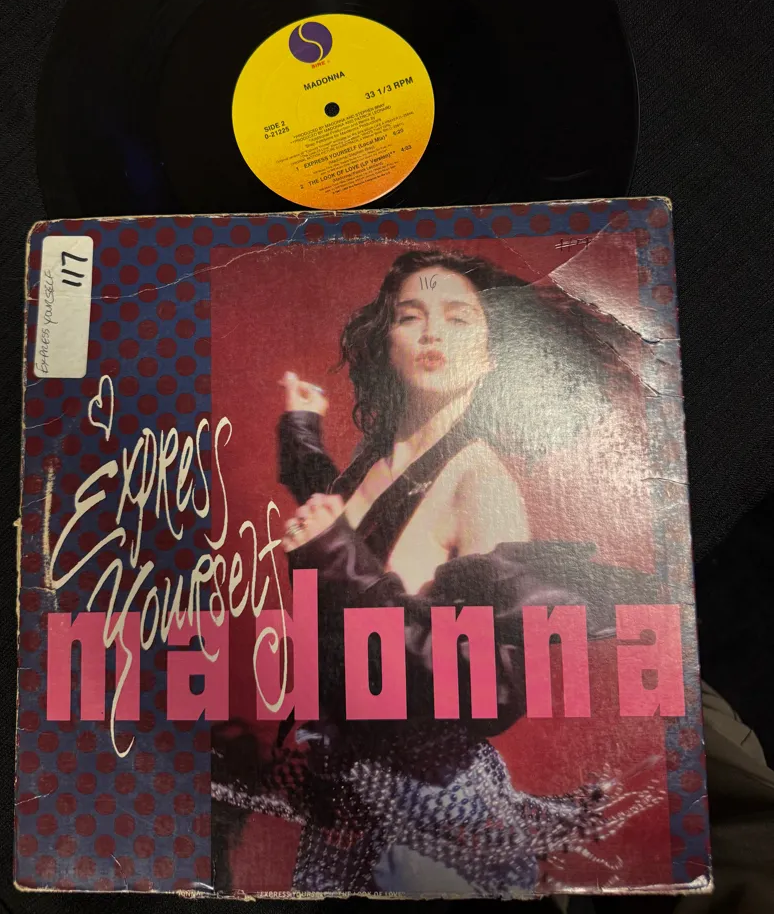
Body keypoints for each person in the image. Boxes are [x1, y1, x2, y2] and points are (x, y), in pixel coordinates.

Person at [212, 249, 660, 897]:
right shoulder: (375, 464)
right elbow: (347, 531)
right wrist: (302, 434)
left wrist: (333, 555)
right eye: (410, 316)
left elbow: (487, 685)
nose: (432, 333)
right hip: (343, 789)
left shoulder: (480, 484)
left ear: (492, 355)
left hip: (432, 806)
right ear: (386, 343)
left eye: (458, 318)